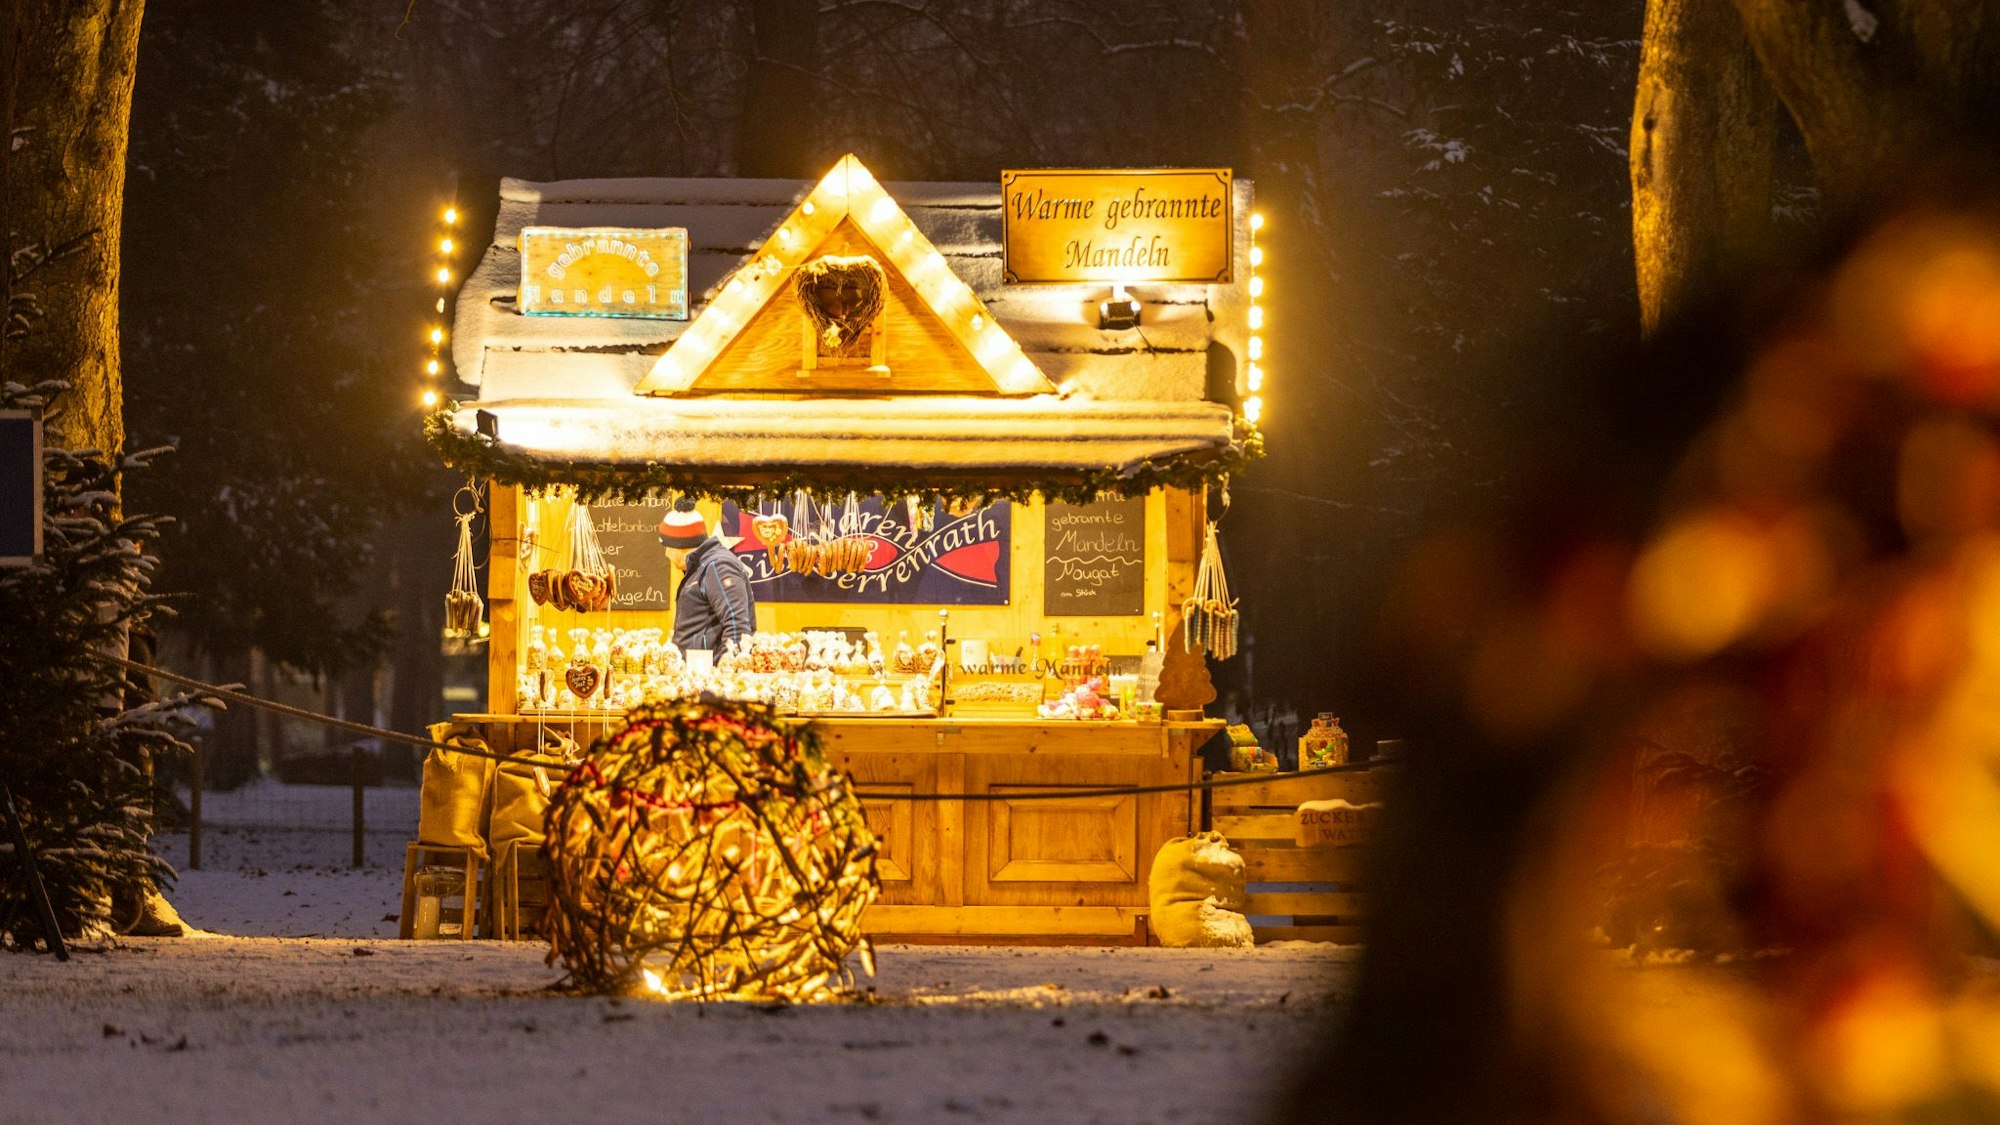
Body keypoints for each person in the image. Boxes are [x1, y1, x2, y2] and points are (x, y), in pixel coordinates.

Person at [657, 497, 755, 653]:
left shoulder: (718, 566)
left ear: (680, 545)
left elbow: (737, 628)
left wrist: (726, 665)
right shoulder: (702, 566)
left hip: (711, 667)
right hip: (696, 667)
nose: (666, 554)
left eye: (667, 547)